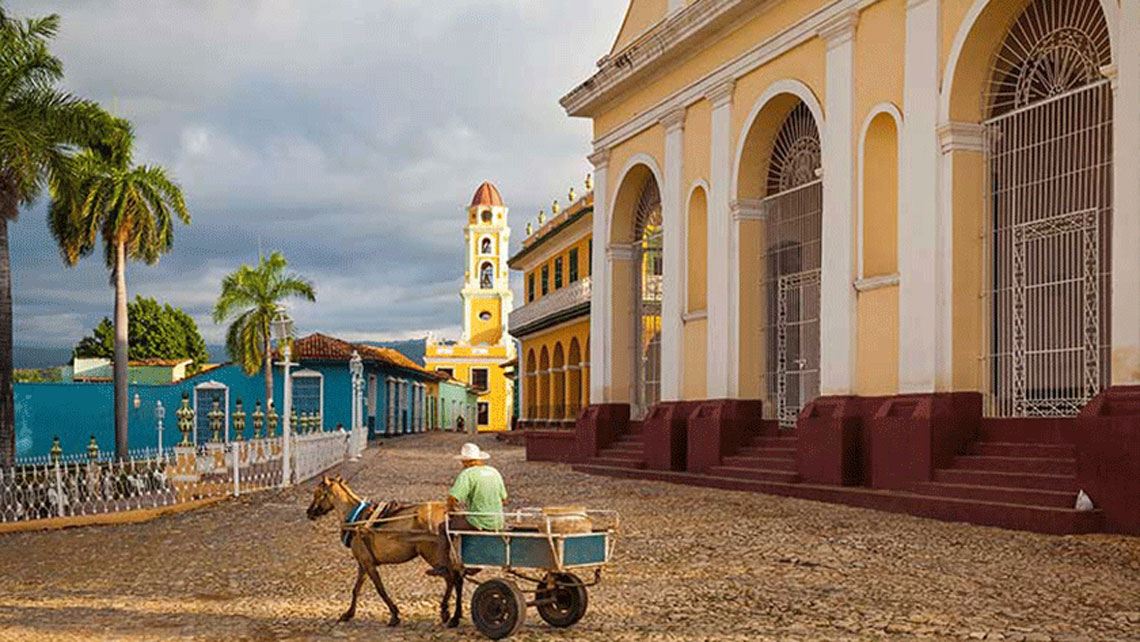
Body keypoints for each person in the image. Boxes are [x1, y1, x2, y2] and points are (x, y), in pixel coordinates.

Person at [427, 442, 508, 577]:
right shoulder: (494, 472)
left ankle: (442, 565)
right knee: (464, 521)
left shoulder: (467, 474)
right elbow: (504, 499)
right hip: (497, 520)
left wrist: (450, 510)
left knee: (443, 527)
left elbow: (453, 497)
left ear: (465, 461)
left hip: (478, 521)